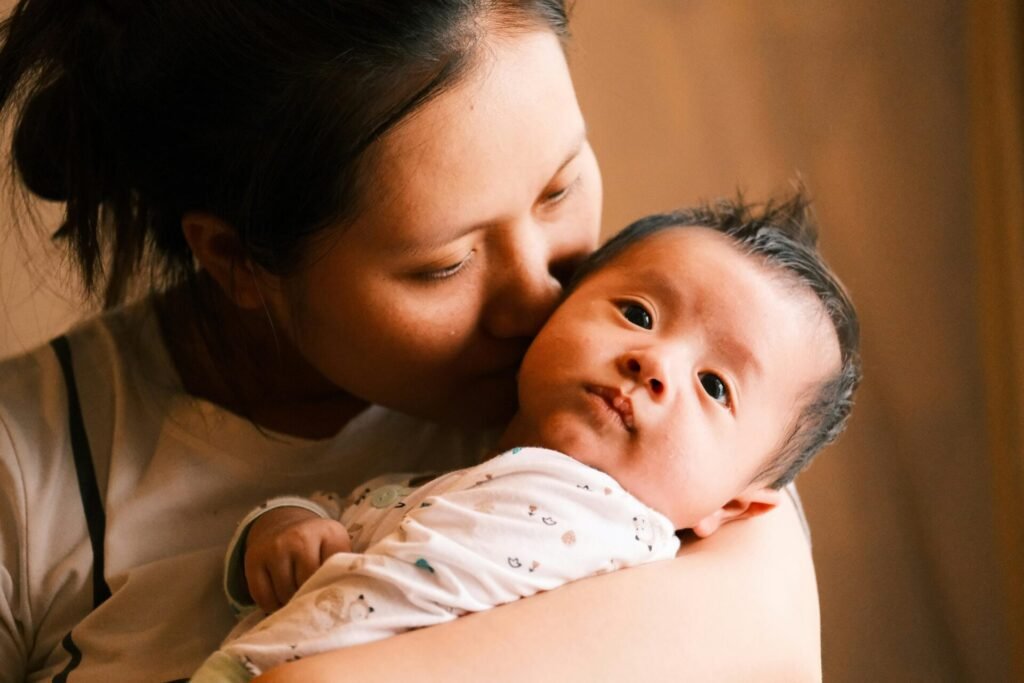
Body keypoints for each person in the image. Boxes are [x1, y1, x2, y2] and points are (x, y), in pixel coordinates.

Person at [0, 1, 826, 681]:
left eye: (561, 185)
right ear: (238, 258)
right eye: (445, 264)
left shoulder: (665, 429)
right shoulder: (29, 470)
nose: (538, 295)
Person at [193, 196, 860, 682]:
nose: (654, 363)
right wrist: (283, 525)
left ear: (736, 506)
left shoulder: (640, 558)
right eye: (637, 313)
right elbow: (346, 526)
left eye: (714, 385)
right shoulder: (437, 481)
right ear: (555, 307)